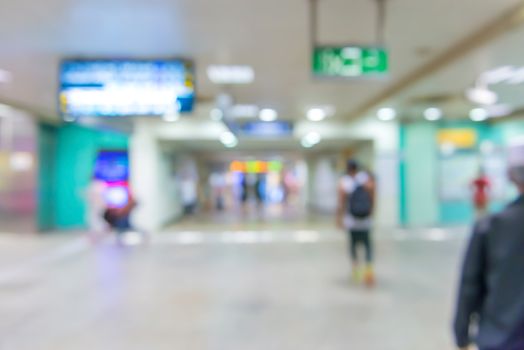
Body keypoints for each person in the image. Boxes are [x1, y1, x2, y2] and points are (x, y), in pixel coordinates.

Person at [454, 139, 524, 350]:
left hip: (501, 339)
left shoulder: (491, 227)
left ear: (511, 175)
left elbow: (470, 284)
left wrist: (462, 335)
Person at [336, 159, 376, 286]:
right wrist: (371, 210)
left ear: (348, 169)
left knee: (353, 244)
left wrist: (339, 218)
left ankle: (355, 270)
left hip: (352, 220)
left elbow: (341, 202)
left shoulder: (345, 182)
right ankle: (368, 270)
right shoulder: (365, 179)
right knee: (367, 244)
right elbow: (373, 193)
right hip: (365, 219)